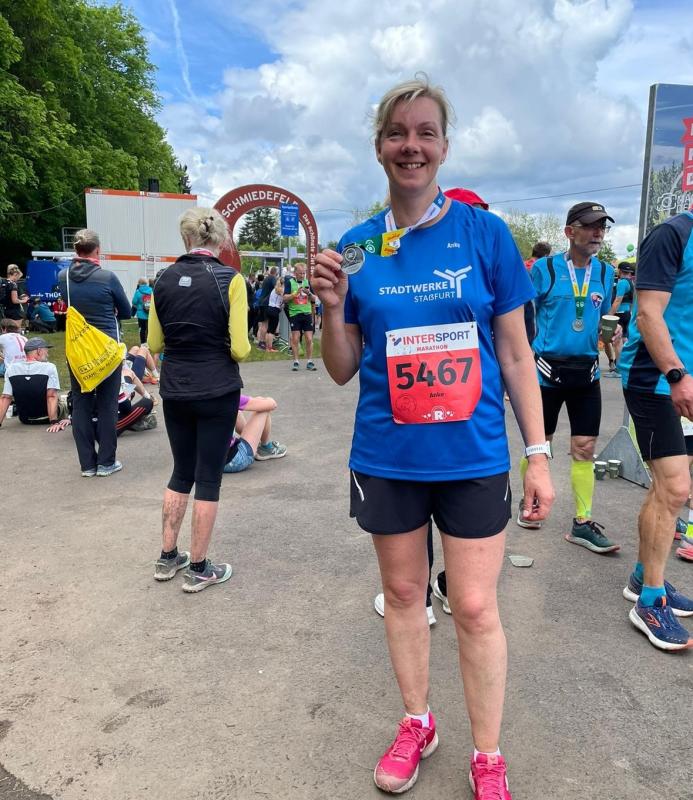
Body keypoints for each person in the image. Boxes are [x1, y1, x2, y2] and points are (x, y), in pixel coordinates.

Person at [312, 76, 553, 799]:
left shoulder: (485, 235)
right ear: (379, 147)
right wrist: (330, 307)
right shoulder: (357, 248)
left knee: (474, 606)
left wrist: (538, 454)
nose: (410, 146)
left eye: (424, 133)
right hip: (387, 454)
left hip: (472, 454)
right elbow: (341, 368)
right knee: (402, 592)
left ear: (444, 147)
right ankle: (417, 721)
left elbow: (515, 355)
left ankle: (488, 754)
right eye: (397, 133)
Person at [148, 207, 250, 592]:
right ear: (221, 240)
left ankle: (167, 556)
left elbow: (154, 343)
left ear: (185, 238)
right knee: (208, 477)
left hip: (176, 386)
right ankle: (200, 567)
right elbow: (240, 349)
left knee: (181, 472)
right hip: (217, 387)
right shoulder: (231, 280)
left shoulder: (162, 280)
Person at [523, 202, 620, 554]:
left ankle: (582, 522)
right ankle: (530, 503)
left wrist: (611, 333)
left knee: (585, 447)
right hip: (546, 372)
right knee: (541, 445)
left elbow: (601, 316)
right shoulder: (545, 269)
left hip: (587, 373)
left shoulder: (605, 273)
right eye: (591, 226)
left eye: (602, 227)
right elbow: (524, 317)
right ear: (569, 231)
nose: (598, 233)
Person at [618, 209, 693, 650]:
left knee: (668, 487)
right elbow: (648, 314)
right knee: (675, 487)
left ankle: (645, 575)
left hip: (686, 380)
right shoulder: (673, 234)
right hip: (656, 379)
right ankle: (649, 601)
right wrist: (676, 375)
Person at [58, 229, 132, 477]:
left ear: (75, 250)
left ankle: (87, 465)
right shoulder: (107, 277)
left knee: (81, 403)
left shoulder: (63, 277)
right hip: (106, 349)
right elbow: (126, 311)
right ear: (97, 250)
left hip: (78, 350)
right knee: (107, 404)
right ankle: (106, 462)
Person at [0, 337, 68, 429]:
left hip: (25, 419)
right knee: (63, 401)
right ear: (39, 351)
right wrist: (54, 422)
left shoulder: (11, 369)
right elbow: (51, 396)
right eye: (46, 351)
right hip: (46, 418)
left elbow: (6, 397)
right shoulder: (49, 367)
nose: (47, 354)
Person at [223, 394, 287, 473]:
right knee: (264, 408)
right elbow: (272, 404)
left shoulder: (208, 396)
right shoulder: (229, 397)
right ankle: (265, 447)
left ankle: (253, 441)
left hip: (209, 463)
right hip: (231, 461)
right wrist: (267, 399)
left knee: (233, 409)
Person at [603, 261, 635, 376]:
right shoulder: (631, 283)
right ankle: (626, 367)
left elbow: (617, 300)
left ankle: (619, 370)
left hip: (619, 314)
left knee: (617, 342)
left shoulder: (622, 283)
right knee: (625, 341)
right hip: (627, 313)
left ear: (620, 271)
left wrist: (609, 315)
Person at [284, 262, 317, 371]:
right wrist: (295, 294)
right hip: (295, 314)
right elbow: (284, 298)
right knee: (295, 338)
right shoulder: (289, 282)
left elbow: (314, 299)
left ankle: (310, 361)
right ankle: (296, 362)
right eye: (300, 273)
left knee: (309, 338)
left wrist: (309, 293)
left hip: (307, 313)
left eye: (304, 273)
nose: (302, 275)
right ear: (295, 273)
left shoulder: (308, 282)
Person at [256, 267, 278, 349]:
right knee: (265, 324)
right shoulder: (272, 278)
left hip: (261, 302)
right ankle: (262, 342)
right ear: (276, 273)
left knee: (263, 324)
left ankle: (262, 342)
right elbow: (277, 288)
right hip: (266, 303)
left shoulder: (266, 278)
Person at [131, 277, 153, 344]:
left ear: (139, 283)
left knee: (142, 329)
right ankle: (149, 342)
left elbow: (134, 302)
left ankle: (143, 342)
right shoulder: (151, 290)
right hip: (150, 313)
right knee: (149, 329)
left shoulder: (138, 291)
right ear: (146, 283)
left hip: (141, 314)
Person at [265, 278, 284, 352]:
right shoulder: (280, 290)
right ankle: (270, 348)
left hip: (269, 308)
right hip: (275, 310)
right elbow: (284, 297)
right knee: (272, 330)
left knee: (269, 329)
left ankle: (267, 347)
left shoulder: (274, 289)